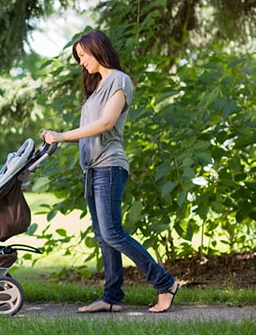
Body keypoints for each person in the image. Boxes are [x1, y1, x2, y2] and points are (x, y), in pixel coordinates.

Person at [41, 29, 179, 313]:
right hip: (92, 169)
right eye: (78, 57)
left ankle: (165, 283)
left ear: (98, 49)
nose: (81, 62)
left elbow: (106, 124)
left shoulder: (119, 80)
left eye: (83, 55)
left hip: (110, 166)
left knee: (113, 232)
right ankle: (112, 297)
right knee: (104, 236)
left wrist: (63, 135)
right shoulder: (96, 89)